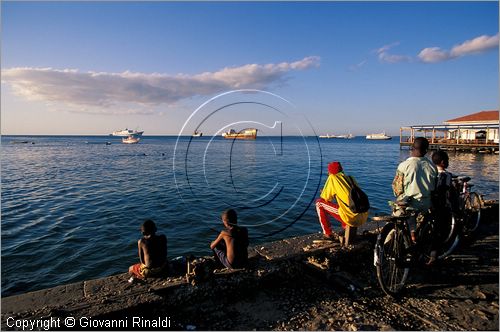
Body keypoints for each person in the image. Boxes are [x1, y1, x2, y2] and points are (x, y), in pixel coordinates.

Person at [392, 137, 437, 242]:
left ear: (412, 148)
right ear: (426, 150)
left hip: (410, 203)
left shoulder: (404, 165)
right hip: (426, 203)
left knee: (396, 218)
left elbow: (397, 188)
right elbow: (434, 186)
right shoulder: (432, 166)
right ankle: (415, 237)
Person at [315, 161, 369, 240]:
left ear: (330, 172)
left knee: (319, 203)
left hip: (352, 218)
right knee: (345, 204)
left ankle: (328, 234)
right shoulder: (351, 178)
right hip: (363, 216)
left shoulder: (333, 178)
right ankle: (345, 227)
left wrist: (323, 191)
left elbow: (325, 198)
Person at [428, 149, 457, 264]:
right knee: (440, 229)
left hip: (429, 203)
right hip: (441, 206)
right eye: (448, 160)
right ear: (443, 162)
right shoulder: (446, 175)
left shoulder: (430, 173)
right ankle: (434, 255)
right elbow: (449, 193)